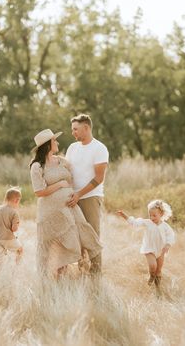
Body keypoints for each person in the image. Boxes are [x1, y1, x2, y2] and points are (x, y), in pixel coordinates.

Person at [29, 128, 102, 279]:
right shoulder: (37, 166)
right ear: (47, 145)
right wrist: (59, 185)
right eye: (54, 140)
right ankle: (52, 283)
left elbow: (73, 179)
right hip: (50, 213)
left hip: (68, 210)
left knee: (72, 242)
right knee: (54, 247)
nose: (57, 142)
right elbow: (39, 192)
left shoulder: (62, 161)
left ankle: (76, 277)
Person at [66, 114, 109, 275]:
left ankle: (96, 274)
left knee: (92, 235)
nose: (73, 133)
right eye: (72, 130)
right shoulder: (72, 148)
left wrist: (79, 194)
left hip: (90, 197)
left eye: (75, 129)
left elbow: (99, 178)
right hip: (72, 198)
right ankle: (82, 270)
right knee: (77, 236)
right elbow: (67, 171)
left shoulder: (99, 148)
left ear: (86, 128)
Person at [117, 200, 175, 287]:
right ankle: (151, 275)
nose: (152, 218)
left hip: (160, 251)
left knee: (158, 270)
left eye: (154, 215)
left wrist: (168, 245)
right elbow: (135, 223)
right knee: (153, 266)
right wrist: (125, 216)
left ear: (161, 214)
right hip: (149, 249)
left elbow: (171, 236)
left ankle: (157, 287)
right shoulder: (147, 222)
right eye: (150, 215)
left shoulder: (165, 226)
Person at [0, 187, 23, 265]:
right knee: (20, 250)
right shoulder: (14, 213)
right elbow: (14, 229)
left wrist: (0, 224)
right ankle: (17, 267)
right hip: (8, 239)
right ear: (16, 200)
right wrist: (17, 224)